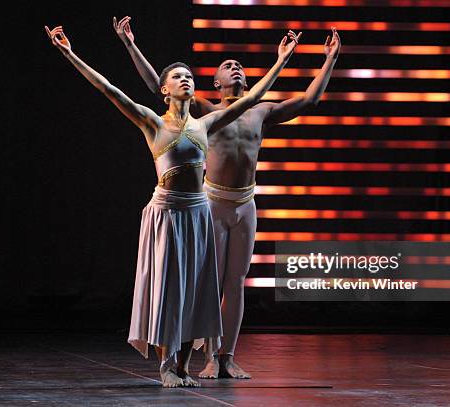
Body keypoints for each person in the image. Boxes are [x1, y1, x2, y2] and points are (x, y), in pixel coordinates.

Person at [45, 24, 300, 387]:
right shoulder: (152, 122)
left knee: (197, 290)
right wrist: (70, 53)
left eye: (190, 76)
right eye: (178, 77)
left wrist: (281, 62)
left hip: (199, 212)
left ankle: (183, 365)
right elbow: (108, 89)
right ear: (164, 90)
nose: (186, 80)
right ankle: (166, 366)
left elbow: (251, 98)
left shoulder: (206, 123)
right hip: (167, 212)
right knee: (169, 287)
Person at [114, 15, 341, 380]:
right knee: (207, 282)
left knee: (236, 281)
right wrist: (130, 44)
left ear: (248, 81)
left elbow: (310, 100)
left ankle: (227, 355)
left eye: (239, 66)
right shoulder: (205, 111)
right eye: (226, 66)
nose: (234, 67)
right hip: (211, 203)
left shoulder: (261, 111)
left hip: (245, 203)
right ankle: (204, 358)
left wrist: (329, 59)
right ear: (216, 82)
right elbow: (156, 83)